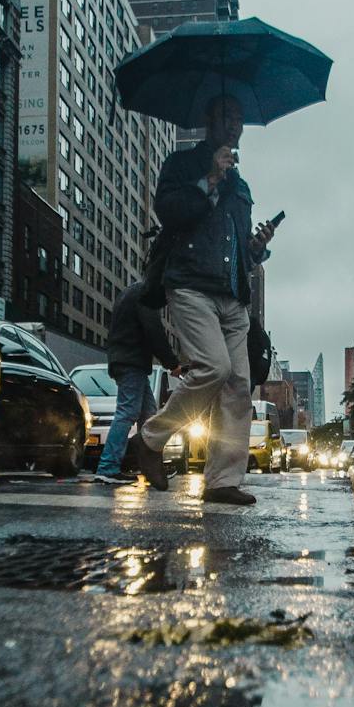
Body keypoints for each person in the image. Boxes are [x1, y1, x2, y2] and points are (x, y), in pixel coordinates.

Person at [128, 93, 278, 508]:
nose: (234, 125)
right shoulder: (183, 165)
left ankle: (223, 480)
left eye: (240, 118)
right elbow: (169, 211)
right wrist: (209, 178)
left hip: (232, 296)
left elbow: (239, 252)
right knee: (214, 367)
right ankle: (150, 440)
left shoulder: (241, 185)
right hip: (190, 284)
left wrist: (258, 247)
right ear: (209, 122)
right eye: (227, 116)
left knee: (238, 387)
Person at [95, 279, 179, 485]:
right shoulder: (145, 295)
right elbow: (154, 331)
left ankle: (149, 466)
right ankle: (107, 467)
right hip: (130, 361)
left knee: (148, 415)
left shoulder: (131, 292)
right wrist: (172, 363)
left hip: (127, 361)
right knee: (127, 412)